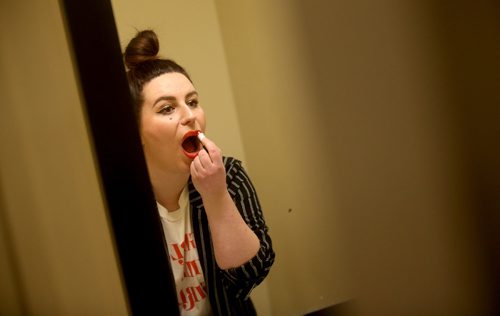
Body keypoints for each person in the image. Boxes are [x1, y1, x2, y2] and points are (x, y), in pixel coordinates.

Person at [123, 29, 275, 315]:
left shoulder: (228, 175)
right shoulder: (118, 201)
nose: (190, 115)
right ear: (135, 131)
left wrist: (216, 195)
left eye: (192, 102)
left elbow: (251, 275)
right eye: (167, 108)